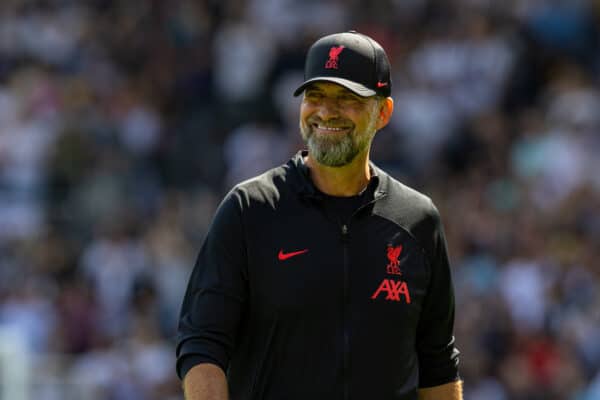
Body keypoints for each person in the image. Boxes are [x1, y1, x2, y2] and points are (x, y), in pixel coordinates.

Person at [176, 30, 462, 400]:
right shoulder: (251, 209)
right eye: (315, 96)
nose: (326, 112)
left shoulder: (418, 220)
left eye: (346, 99)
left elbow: (437, 364)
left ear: (383, 112)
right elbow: (202, 345)